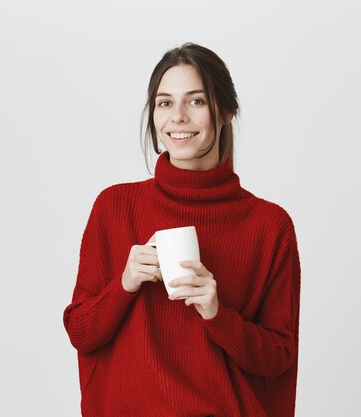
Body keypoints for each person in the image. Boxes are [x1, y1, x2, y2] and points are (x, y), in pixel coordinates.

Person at [62, 42, 301, 417]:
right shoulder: (114, 208)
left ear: (226, 112)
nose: (178, 117)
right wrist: (124, 284)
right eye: (165, 102)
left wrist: (217, 313)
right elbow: (81, 332)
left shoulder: (269, 226)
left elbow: (280, 358)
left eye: (196, 101)